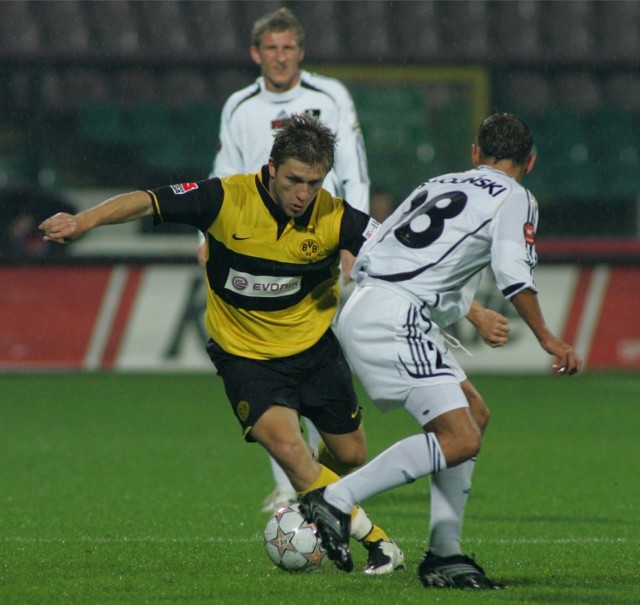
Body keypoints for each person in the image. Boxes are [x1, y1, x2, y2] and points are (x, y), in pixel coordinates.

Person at [40, 113, 404, 575]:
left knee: (351, 456)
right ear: (271, 167)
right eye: (294, 180)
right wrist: (83, 221)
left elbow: (399, 255)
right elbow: (146, 201)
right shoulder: (223, 198)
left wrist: (467, 308)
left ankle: (317, 496)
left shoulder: (334, 216)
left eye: (314, 183)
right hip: (246, 358)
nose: (303, 194)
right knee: (292, 453)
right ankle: (378, 541)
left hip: (314, 351)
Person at [300, 112, 582, 586]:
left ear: (475, 154)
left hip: (368, 306)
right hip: (398, 317)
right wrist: (548, 339)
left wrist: (463, 309)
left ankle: (444, 555)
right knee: (461, 437)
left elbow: (382, 253)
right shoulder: (516, 197)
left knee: (473, 416)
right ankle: (334, 499)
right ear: (529, 162)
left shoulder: (439, 183)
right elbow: (514, 273)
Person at [198, 7, 371, 513]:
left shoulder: (330, 96)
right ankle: (291, 483)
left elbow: (355, 170)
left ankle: (317, 474)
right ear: (257, 54)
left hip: (318, 244)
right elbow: (224, 172)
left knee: (312, 359)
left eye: (288, 48)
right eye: (270, 48)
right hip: (255, 247)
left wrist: (350, 242)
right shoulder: (239, 106)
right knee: (274, 371)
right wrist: (209, 237)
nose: (279, 57)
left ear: (301, 52)